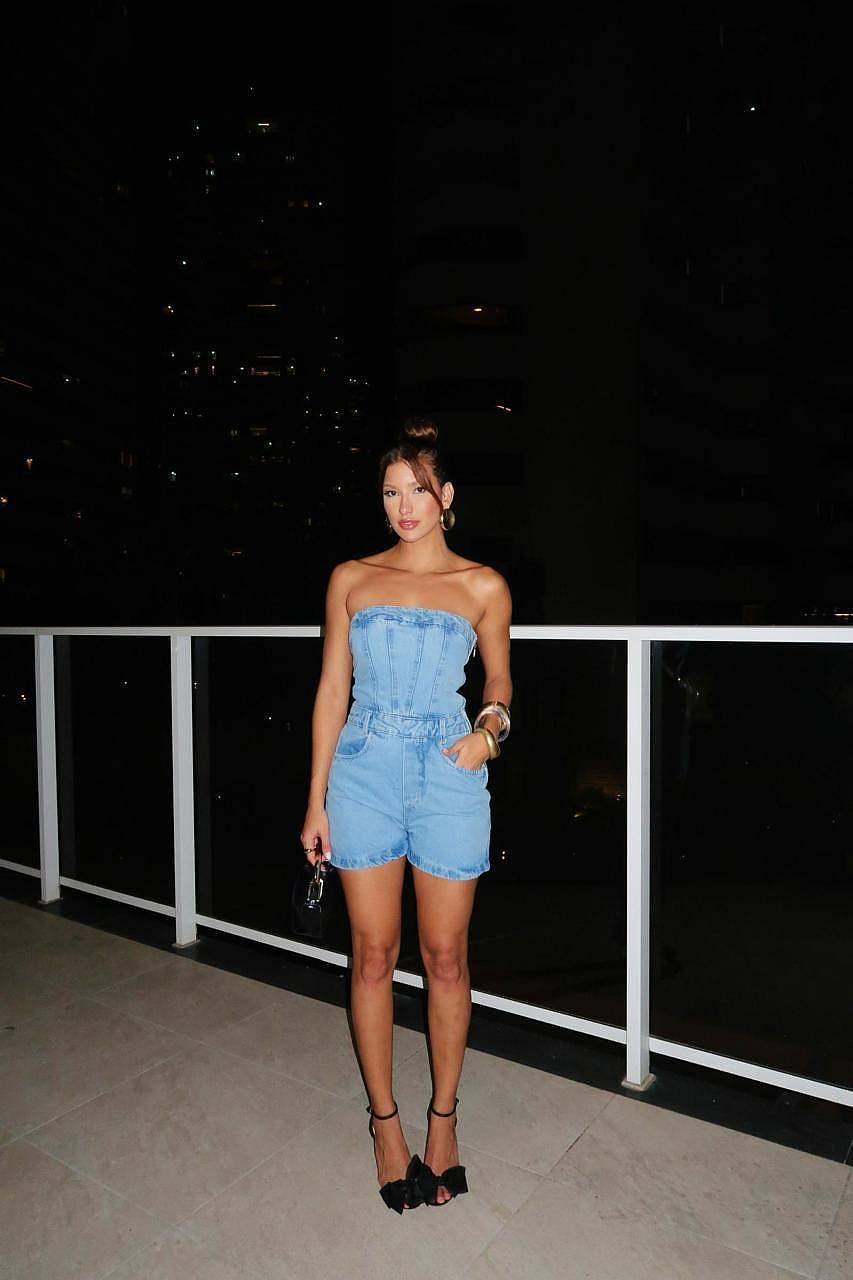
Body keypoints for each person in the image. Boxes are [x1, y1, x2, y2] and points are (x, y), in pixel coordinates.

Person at [299, 416, 513, 1213]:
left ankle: (443, 1122)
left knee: (446, 958)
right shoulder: (350, 577)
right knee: (371, 955)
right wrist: (315, 798)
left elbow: (499, 684)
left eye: (417, 491)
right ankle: (385, 1124)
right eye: (390, 493)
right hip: (362, 773)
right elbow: (331, 689)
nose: (404, 507)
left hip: (448, 772)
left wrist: (488, 735)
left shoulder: (483, 585)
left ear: (445, 495)